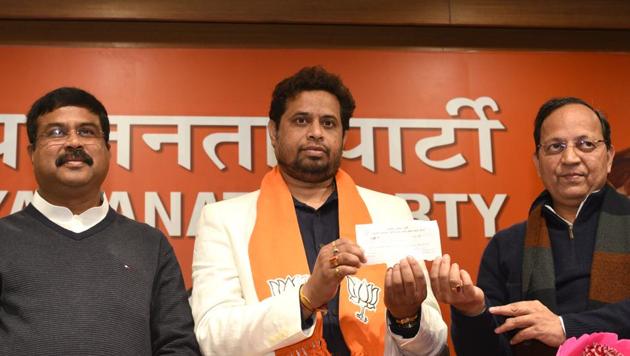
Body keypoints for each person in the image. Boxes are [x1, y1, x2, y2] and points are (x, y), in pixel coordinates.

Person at [191, 66, 447, 355]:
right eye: (301, 121)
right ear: (273, 132)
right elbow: (212, 337)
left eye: (328, 123)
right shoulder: (225, 220)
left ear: (344, 136)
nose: (316, 133)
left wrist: (406, 317)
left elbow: (434, 343)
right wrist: (305, 299)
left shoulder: (391, 212)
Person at [0, 87, 200, 355]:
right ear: (32, 152)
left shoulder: (150, 244)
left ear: (107, 150)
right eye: (56, 132)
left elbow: (177, 344)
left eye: (86, 131)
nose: (73, 143)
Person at [430, 97, 630, 355]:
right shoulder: (507, 245)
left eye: (586, 144)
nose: (570, 157)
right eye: (556, 146)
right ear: (537, 162)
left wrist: (565, 327)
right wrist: (472, 311)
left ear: (610, 156)